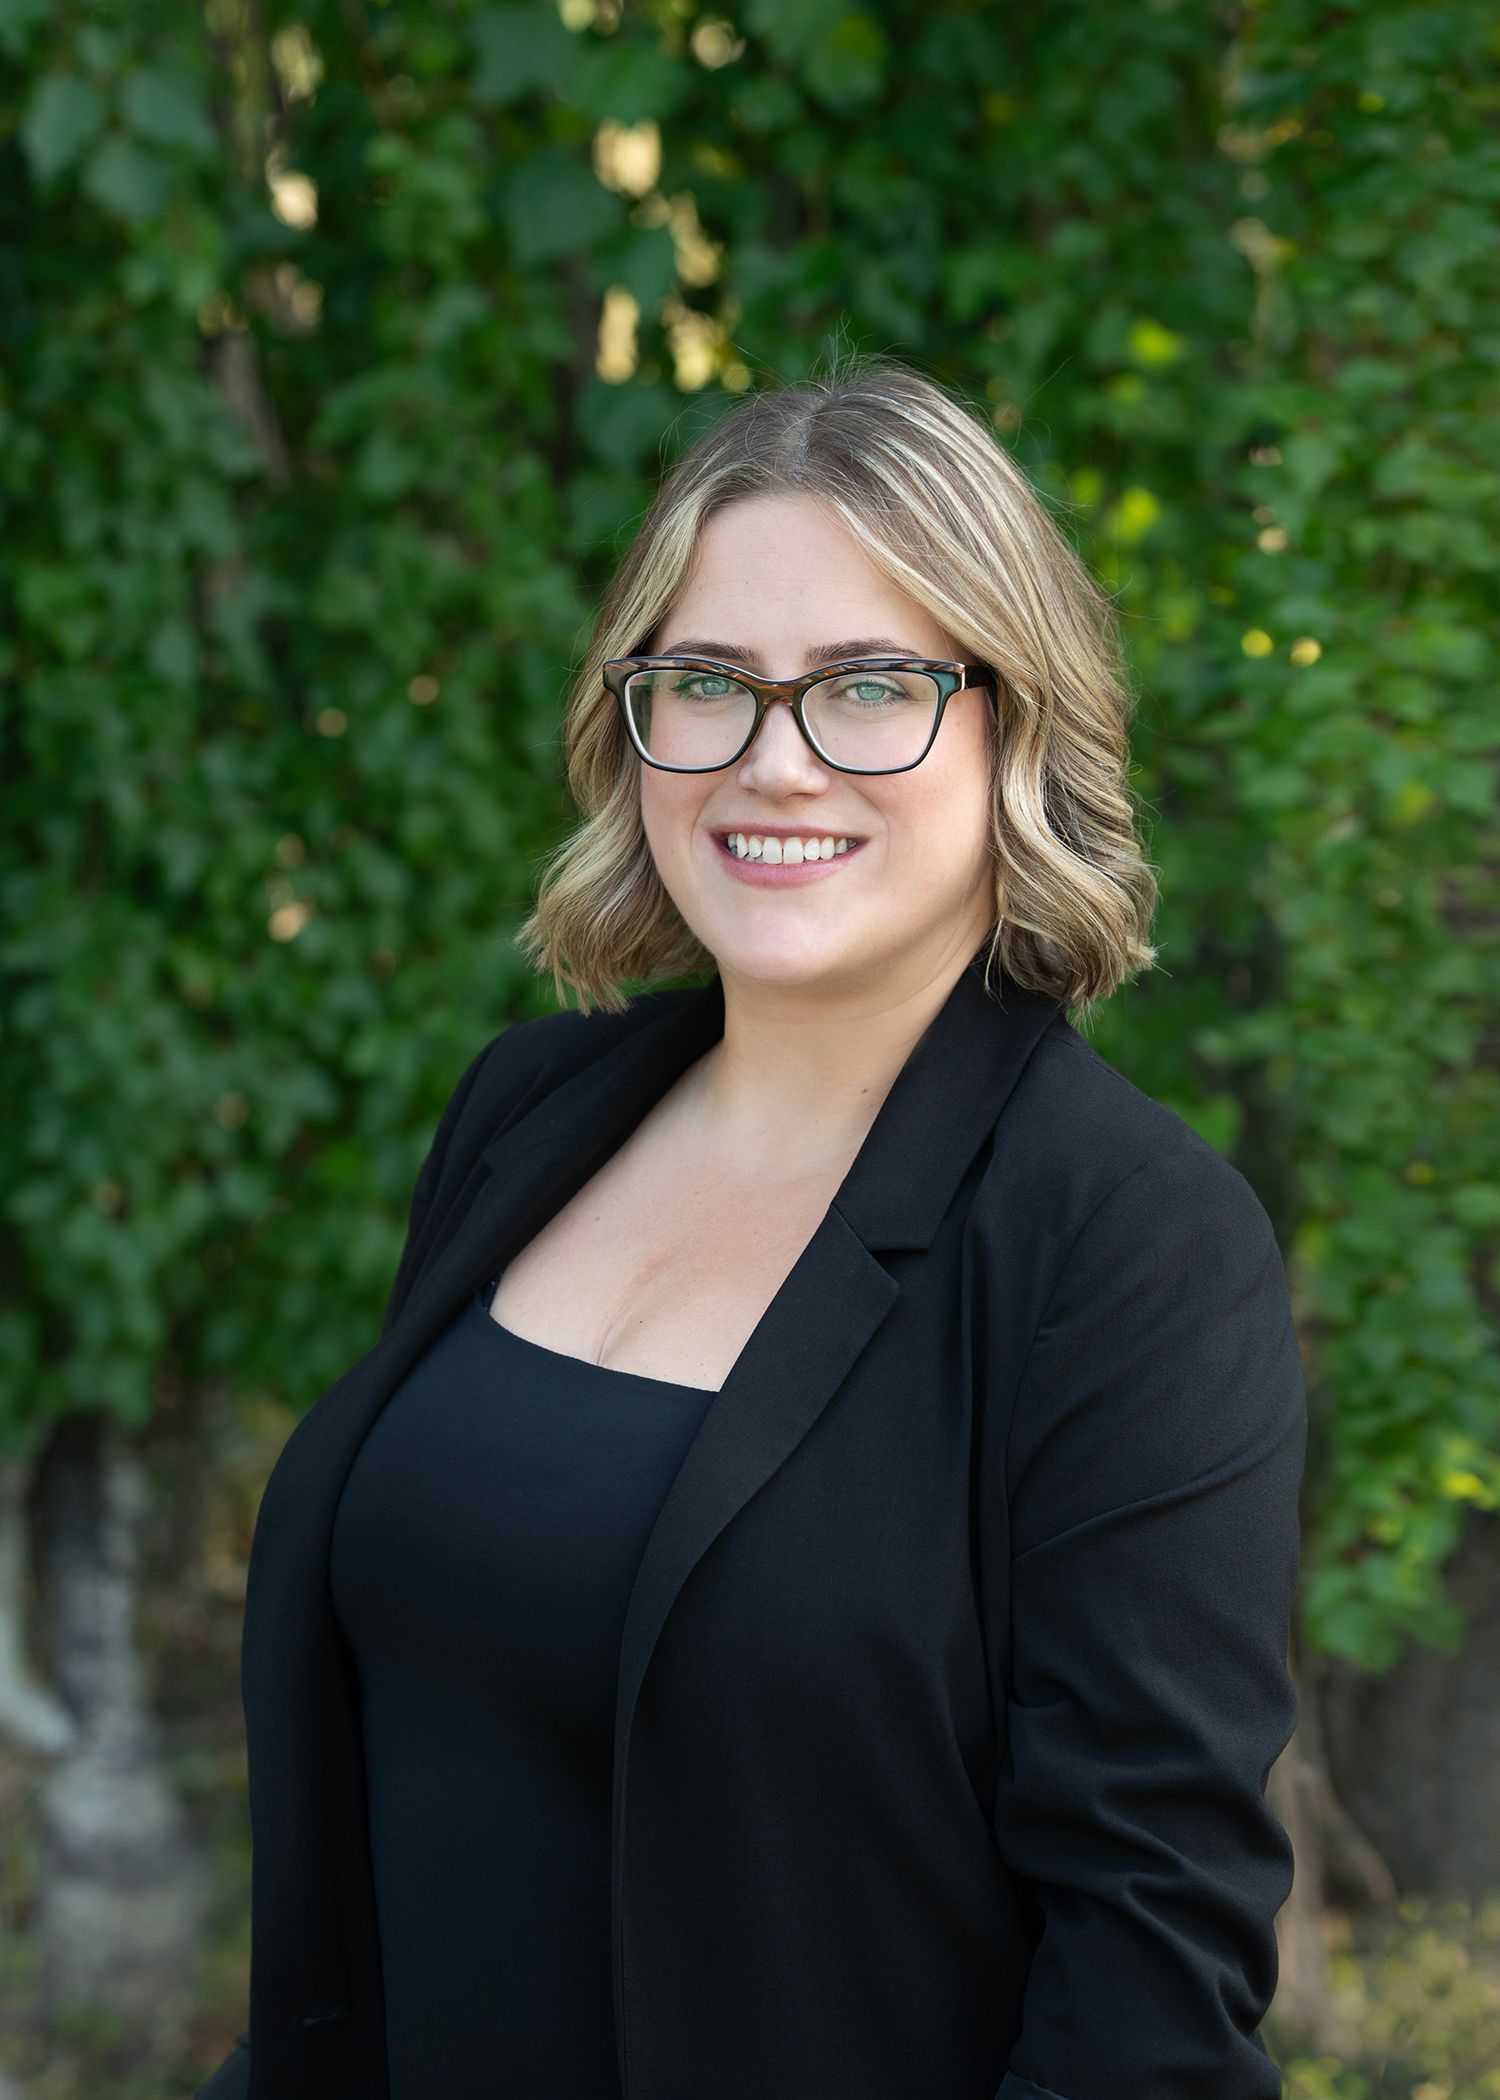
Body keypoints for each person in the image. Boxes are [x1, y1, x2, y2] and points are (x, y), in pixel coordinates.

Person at [198, 356, 1305, 2100]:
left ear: (1015, 722)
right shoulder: (529, 1119)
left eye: (871, 687)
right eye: (709, 681)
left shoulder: (1131, 1247)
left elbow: (1145, 1993)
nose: (772, 764)